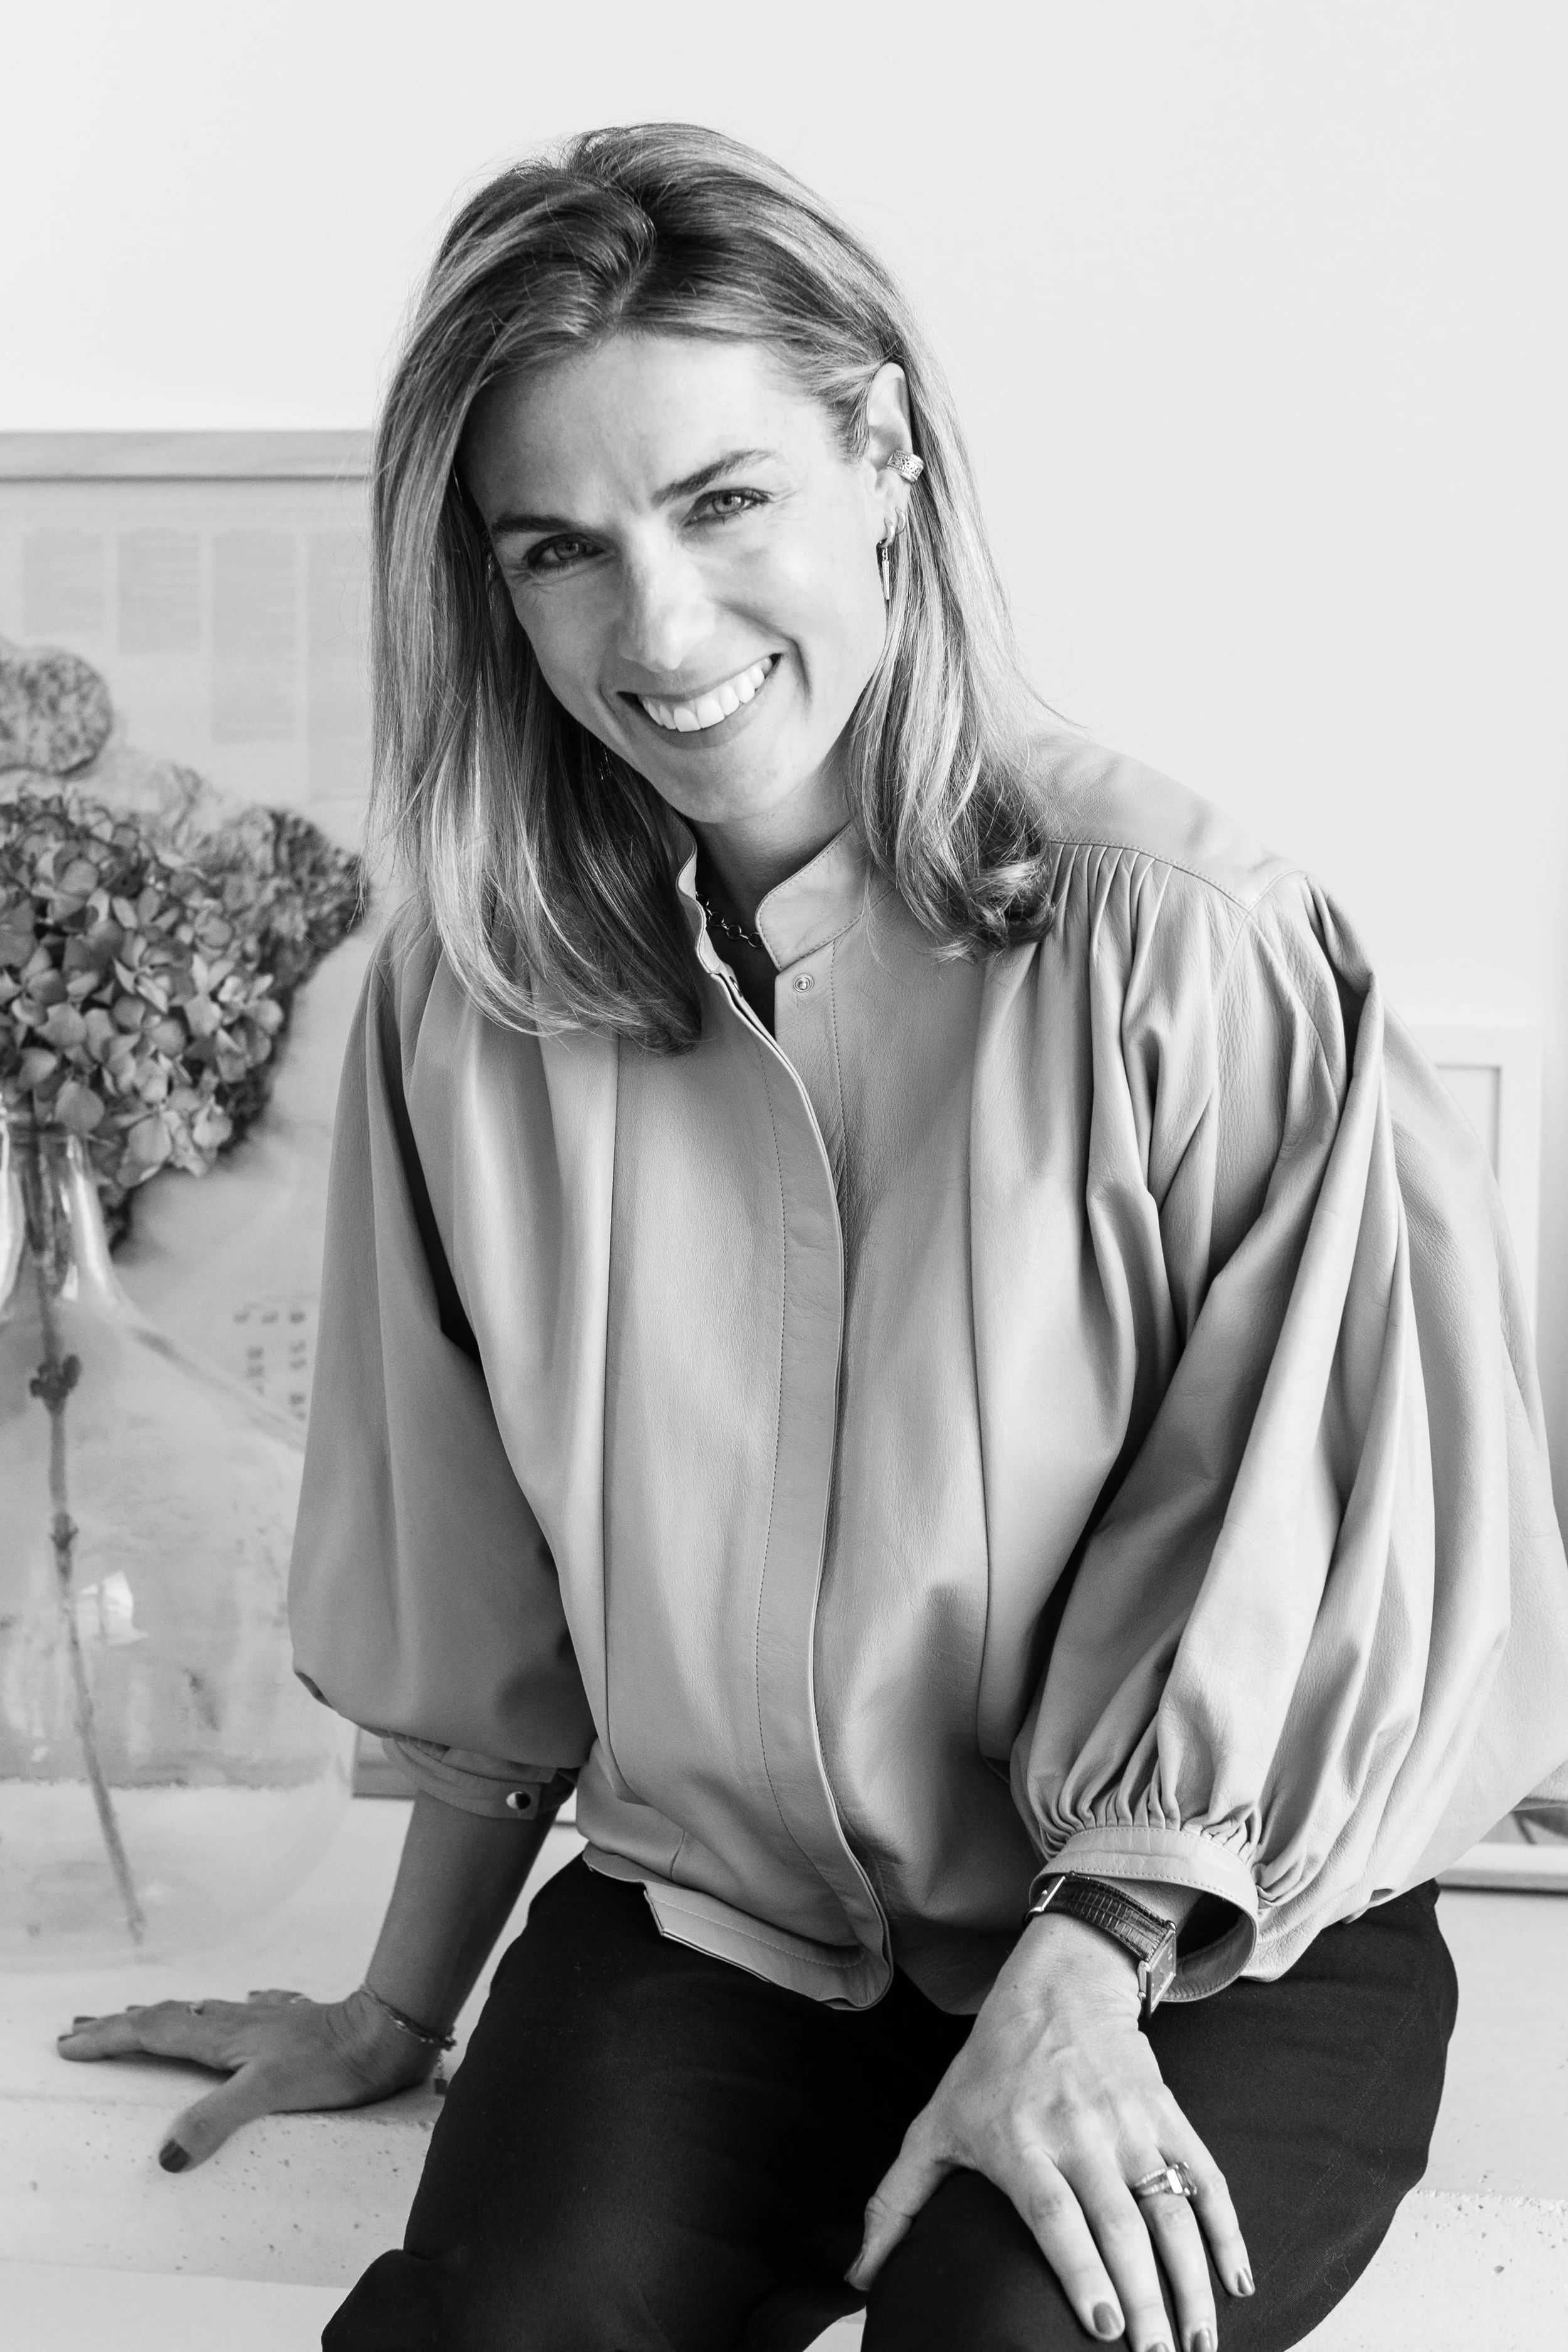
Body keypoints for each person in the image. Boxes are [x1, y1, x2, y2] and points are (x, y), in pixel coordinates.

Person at [60, 123, 1568, 2352]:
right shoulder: (467, 1003)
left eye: (723, 500)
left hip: (1207, 1935)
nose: (658, 629)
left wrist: (1081, 1971)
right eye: (560, 548)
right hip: (727, 1925)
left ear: (883, 457)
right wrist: (397, 2002)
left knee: (1003, 2335)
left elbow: (1314, 1552)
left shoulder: (1192, 945)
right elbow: (478, 1592)